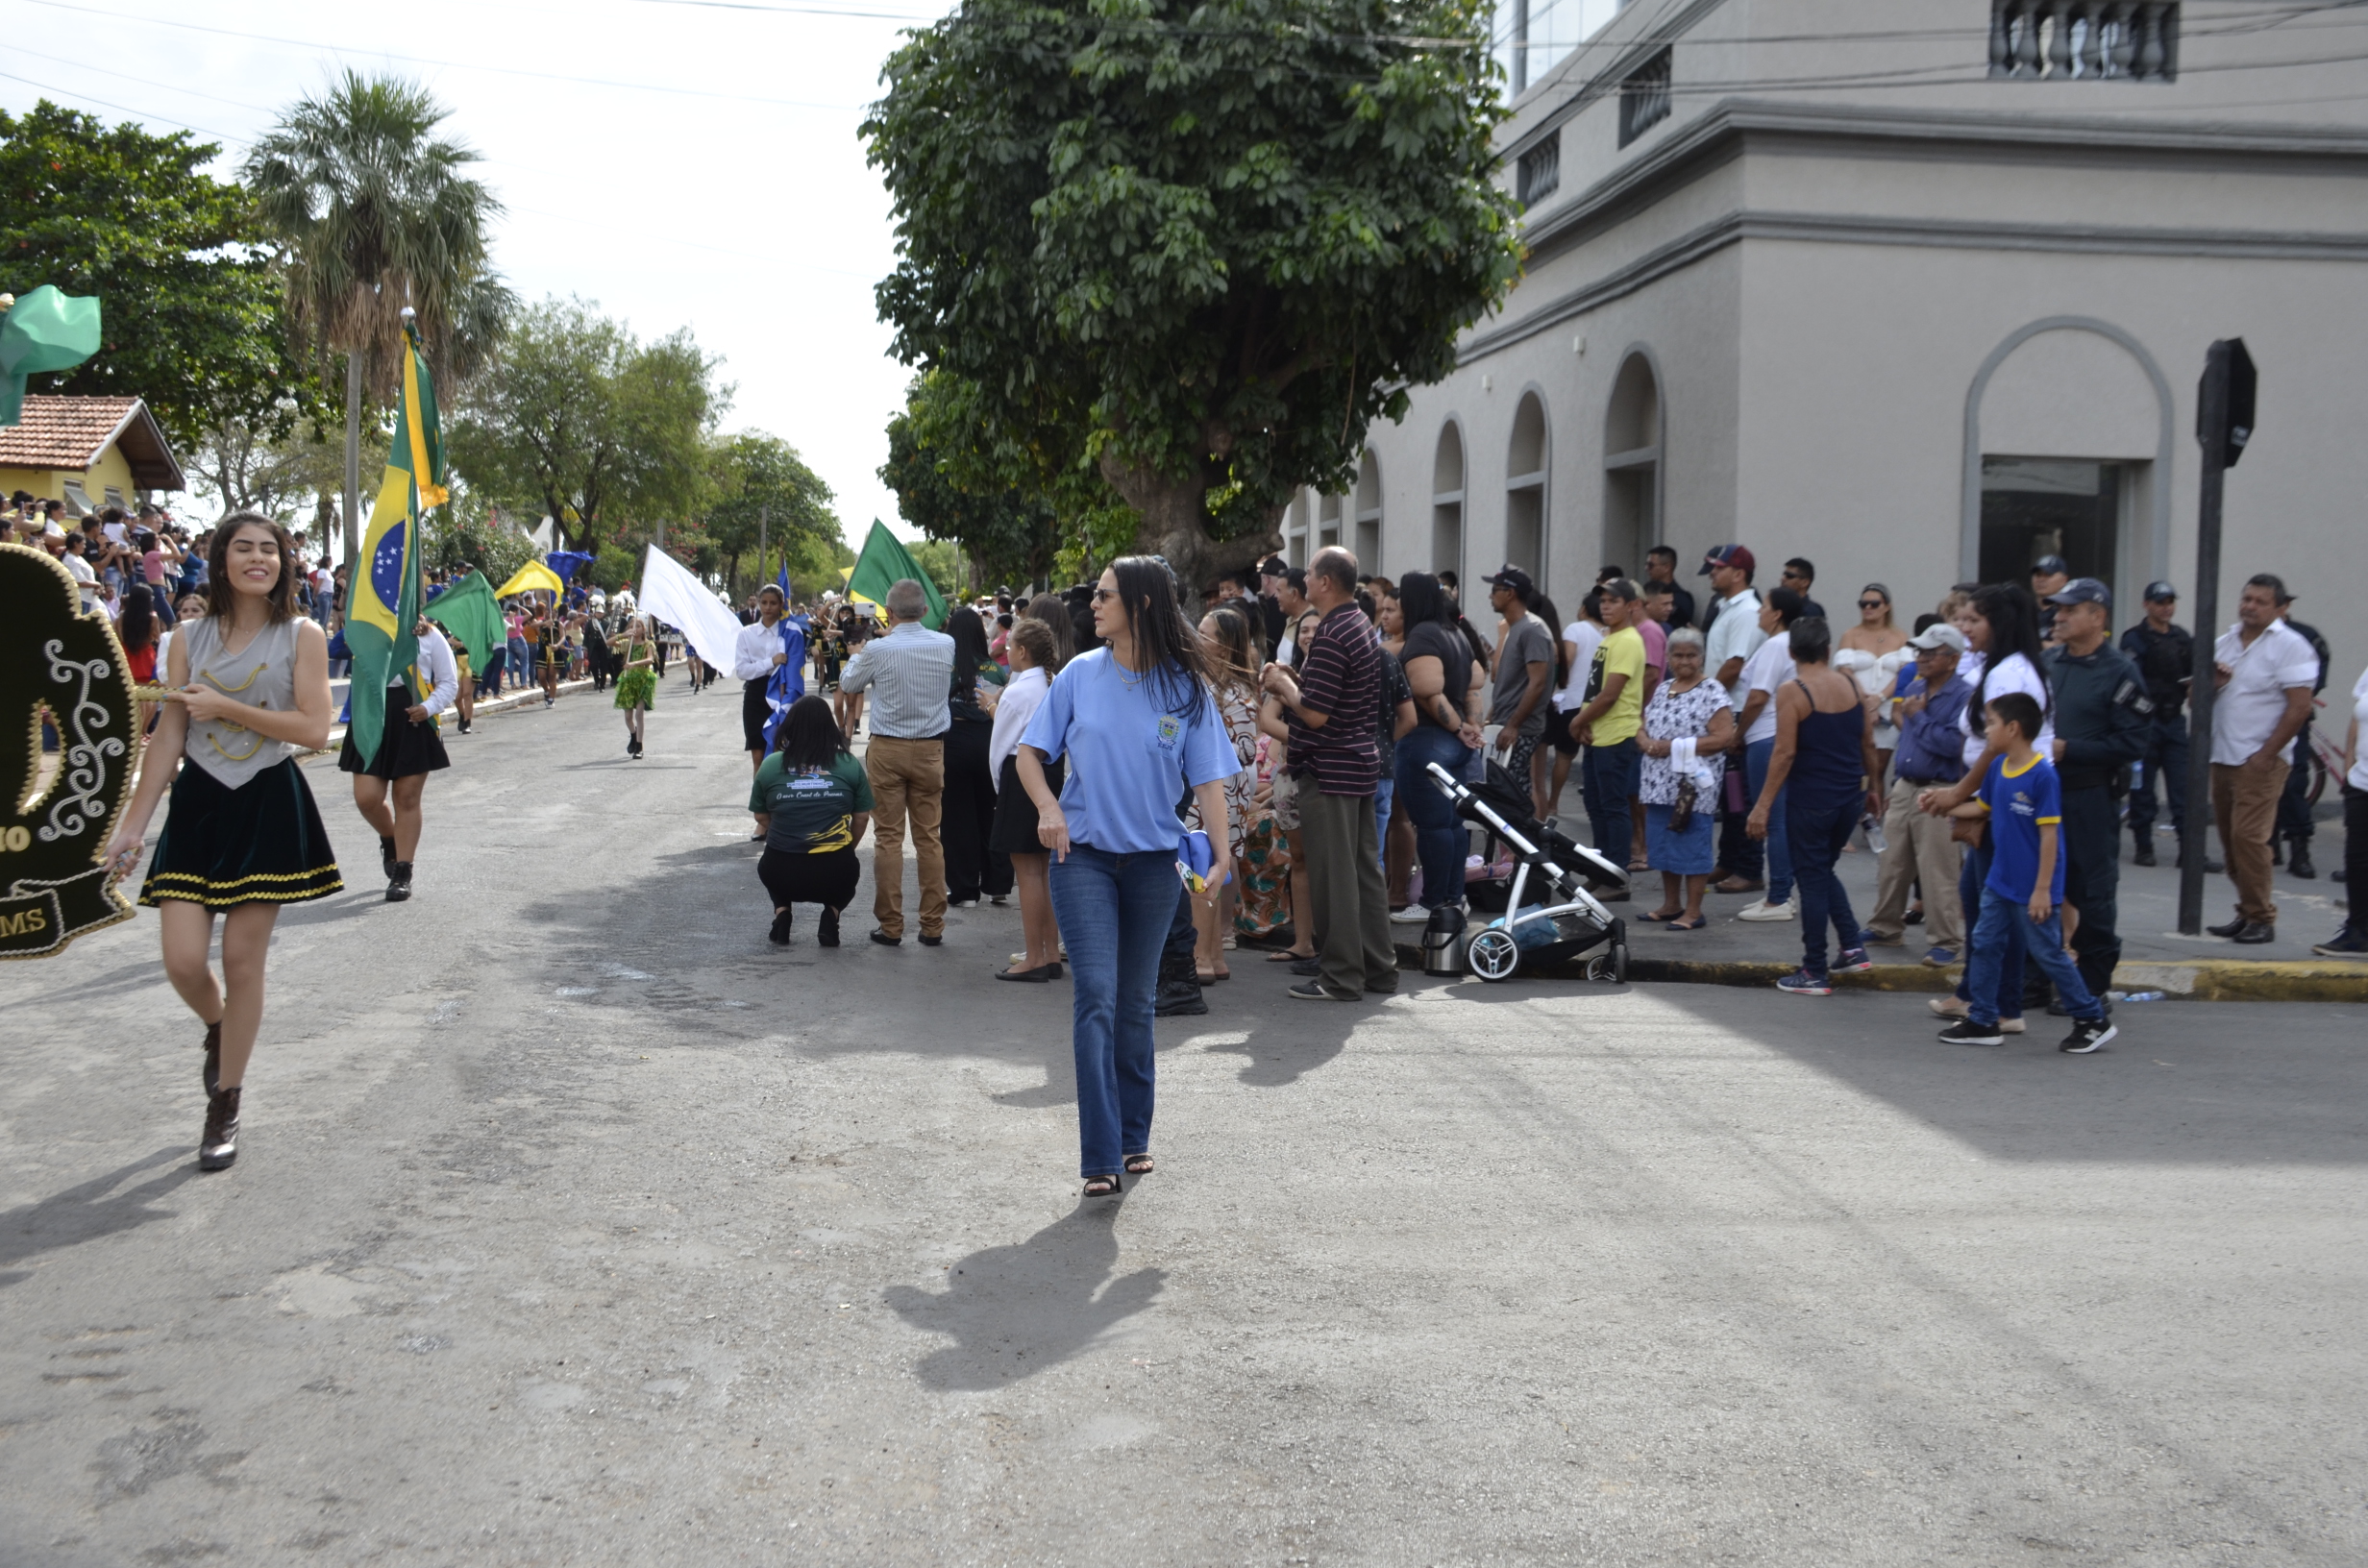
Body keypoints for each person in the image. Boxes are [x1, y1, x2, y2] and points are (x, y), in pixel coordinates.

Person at [104, 512, 341, 1172]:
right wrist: (132, 823)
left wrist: (229, 707)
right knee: (182, 960)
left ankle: (225, 1102)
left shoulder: (303, 634)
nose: (258, 559)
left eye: (270, 549)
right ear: (221, 560)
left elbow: (315, 730)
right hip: (200, 803)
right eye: (245, 548)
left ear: (285, 563)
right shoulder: (188, 637)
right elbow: (171, 737)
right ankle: (220, 1028)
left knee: (242, 961)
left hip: (266, 800)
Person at [1016, 557, 1239, 1196]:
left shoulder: (1184, 692)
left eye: (1105, 596)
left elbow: (1209, 783)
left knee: (1136, 1005)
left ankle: (1134, 1136)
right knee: (1096, 996)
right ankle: (1099, 1155)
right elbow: (1030, 754)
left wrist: (1220, 856)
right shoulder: (1079, 676)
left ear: (1140, 605)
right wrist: (1049, 807)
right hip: (1080, 859)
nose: (1093, 605)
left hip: (1151, 867)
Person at [1936, 692, 2117, 1053]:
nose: (1986, 731)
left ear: (2013, 728)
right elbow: (1983, 809)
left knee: (2049, 953)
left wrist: (2042, 890)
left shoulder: (2042, 776)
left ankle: (2091, 1018)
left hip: (2032, 888)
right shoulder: (1998, 769)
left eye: (1990, 724)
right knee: (1986, 943)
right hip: (2000, 882)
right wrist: (1943, 805)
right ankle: (1984, 1019)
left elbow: (2050, 836)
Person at [1918, 582, 2059, 1031]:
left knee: (1991, 909)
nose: (1963, 627)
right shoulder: (2006, 667)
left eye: (1973, 620)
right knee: (1983, 902)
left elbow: (1999, 747)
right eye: (1962, 618)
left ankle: (1995, 1004)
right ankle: (1990, 1000)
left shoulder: (2006, 675)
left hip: (2005, 801)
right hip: (2001, 798)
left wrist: (1961, 796)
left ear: (1997, 624)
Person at [1260, 547, 1395, 1001]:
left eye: (1312, 573)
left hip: (1332, 766)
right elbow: (1325, 696)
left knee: (1334, 876)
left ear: (1325, 583)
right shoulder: (1357, 624)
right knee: (1361, 872)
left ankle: (1340, 976)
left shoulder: (1335, 631)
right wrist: (1293, 677)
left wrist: (1281, 685)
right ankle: (1377, 968)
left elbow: (1315, 714)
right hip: (1355, 763)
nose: (1305, 580)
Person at [1747, 617, 1882, 994]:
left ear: (1791, 653)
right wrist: (1874, 788)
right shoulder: (1852, 683)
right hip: (1848, 797)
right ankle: (1853, 947)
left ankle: (1814, 969)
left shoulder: (1793, 691)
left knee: (1811, 880)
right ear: (1826, 649)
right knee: (1821, 870)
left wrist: (1762, 805)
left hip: (1811, 801)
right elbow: (1868, 743)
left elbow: (1785, 752)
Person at [2041, 578, 2151, 1004]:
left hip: (2089, 796)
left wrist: (2071, 749)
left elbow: (2133, 742)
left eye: (2070, 610)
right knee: (2041, 886)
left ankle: (2091, 984)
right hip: (2044, 795)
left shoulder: (2120, 671)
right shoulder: (2049, 663)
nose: (2060, 616)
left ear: (2098, 617)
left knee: (2092, 891)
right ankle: (2035, 977)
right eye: (2058, 609)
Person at [841, 579, 955, 946]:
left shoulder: (877, 649)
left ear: (889, 612)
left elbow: (849, 682)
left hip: (888, 748)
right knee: (929, 838)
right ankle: (933, 925)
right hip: (930, 749)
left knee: (888, 838)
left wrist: (858, 653)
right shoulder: (945, 644)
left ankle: (891, 926)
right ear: (924, 611)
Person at [2205, 575, 2317, 944]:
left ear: (2278, 608)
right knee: (2230, 840)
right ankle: (2247, 910)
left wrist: (2266, 755)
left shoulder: (2291, 646)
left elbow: (2299, 708)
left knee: (2248, 837)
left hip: (2259, 759)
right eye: (2247, 598)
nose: (2250, 606)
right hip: (2223, 755)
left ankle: (2262, 918)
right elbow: (2196, 701)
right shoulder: (2225, 642)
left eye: (2260, 601)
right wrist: (2211, 686)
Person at [1863, 622, 1972, 964]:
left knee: (1938, 868)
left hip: (1941, 789)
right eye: (1920, 652)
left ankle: (1947, 941)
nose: (1921, 658)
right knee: (1892, 860)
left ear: (1952, 660)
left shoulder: (1965, 697)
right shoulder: (1914, 686)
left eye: (1930, 652)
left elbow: (1956, 745)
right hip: (1907, 784)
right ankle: (1885, 926)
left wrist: (1920, 717)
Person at [338, 615, 457, 902]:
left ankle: (403, 871)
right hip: (371, 715)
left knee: (406, 798)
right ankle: (390, 839)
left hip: (413, 718)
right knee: (367, 798)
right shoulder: (364, 628)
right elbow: (335, 648)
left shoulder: (429, 635)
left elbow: (448, 682)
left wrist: (428, 707)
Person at [1392, 572, 1484, 922]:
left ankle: (1433, 903)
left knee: (1432, 826)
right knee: (1452, 825)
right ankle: (1453, 897)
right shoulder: (1455, 632)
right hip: (1453, 744)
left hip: (1428, 742)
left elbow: (1428, 690)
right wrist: (1471, 726)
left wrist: (1461, 727)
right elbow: (1475, 681)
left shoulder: (1424, 634)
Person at [750, 694, 872, 948]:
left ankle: (782, 913)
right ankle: (831, 915)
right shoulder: (849, 764)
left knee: (769, 865)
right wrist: (845, 849)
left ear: (790, 727)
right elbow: (861, 817)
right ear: (829, 728)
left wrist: (788, 831)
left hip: (781, 869)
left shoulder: (771, 765)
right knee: (850, 873)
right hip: (835, 871)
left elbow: (760, 816)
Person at [1636, 628, 1734, 930]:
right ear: (1668, 659)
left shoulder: (1712, 690)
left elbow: (1724, 737)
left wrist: (1673, 746)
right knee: (1663, 843)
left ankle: (1693, 911)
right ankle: (1671, 904)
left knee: (1692, 844)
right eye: (1678, 655)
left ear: (1701, 657)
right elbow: (1642, 723)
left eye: (1691, 655)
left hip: (1691, 788)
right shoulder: (1664, 688)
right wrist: (1643, 740)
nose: (1685, 661)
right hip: (1658, 784)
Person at [990, 618, 1066, 980]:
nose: (1006, 653)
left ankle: (1034, 955)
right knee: (1047, 871)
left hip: (1020, 777)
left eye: (1009, 648)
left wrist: (1000, 790)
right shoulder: (1055, 686)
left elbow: (1000, 749)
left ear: (1022, 652)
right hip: (1051, 775)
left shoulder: (1017, 693)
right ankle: (1050, 953)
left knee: (1028, 874)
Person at [1192, 605, 1265, 982]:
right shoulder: (1205, 682)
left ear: (1223, 647)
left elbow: (1247, 750)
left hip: (1216, 790)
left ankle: (1201, 958)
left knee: (1201, 869)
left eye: (1204, 634)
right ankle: (1215, 957)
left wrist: (1203, 748)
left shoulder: (1235, 691)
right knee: (1206, 868)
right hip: (1212, 788)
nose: (1197, 638)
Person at [1730, 588, 1809, 920]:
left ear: (1777, 614)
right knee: (1780, 818)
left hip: (1765, 736)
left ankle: (1778, 898)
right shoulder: (1786, 645)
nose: (1760, 612)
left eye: (1764, 607)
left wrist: (1738, 733)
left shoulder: (1777, 645)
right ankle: (1779, 893)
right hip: (1775, 735)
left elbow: (1758, 698)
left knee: (1772, 819)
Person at [1565, 578, 1648, 884]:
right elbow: (1596, 689)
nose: (1606, 606)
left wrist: (1577, 721)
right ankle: (1601, 868)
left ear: (1632, 605)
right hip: (1598, 733)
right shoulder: (1608, 639)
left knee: (1613, 806)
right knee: (1596, 804)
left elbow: (1611, 694)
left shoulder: (1628, 640)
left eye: (1613, 601)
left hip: (1617, 734)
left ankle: (1616, 875)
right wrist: (1586, 722)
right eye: (1603, 601)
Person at [1698, 546, 1767, 890]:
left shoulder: (1746, 612)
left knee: (1740, 794)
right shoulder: (1729, 608)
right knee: (1728, 794)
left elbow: (1734, 665)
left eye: (1718, 567)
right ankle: (1729, 861)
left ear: (1738, 573)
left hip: (1735, 709)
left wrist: (1702, 696)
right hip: (1724, 708)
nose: (1712, 573)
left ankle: (1750, 869)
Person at [2120, 581, 2197, 869]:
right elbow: (2131, 682)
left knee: (2182, 788)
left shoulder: (2181, 638)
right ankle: (2144, 845)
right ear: (2147, 605)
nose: (2166, 607)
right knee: (2143, 789)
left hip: (2173, 720)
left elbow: (2192, 676)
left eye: (2170, 602)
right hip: (2146, 722)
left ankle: (2188, 849)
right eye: (2160, 602)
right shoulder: (2135, 639)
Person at [941, 605, 1013, 909]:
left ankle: (965, 890)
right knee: (992, 814)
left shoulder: (946, 666)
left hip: (954, 743)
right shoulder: (996, 669)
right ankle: (998, 886)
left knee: (958, 819)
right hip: (989, 743)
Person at [1482, 566, 1554, 803]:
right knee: (1505, 795)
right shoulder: (1516, 627)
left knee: (1511, 798)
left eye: (1495, 589)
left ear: (1510, 593)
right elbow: (1511, 681)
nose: (1490, 595)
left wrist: (1513, 726)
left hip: (1520, 729)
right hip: (1507, 724)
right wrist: (1494, 714)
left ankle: (1518, 841)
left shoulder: (1532, 629)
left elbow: (1537, 683)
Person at [2271, 588, 2330, 878]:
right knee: (2262, 785)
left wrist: (2302, 697)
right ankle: (2269, 846)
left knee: (2294, 784)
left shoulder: (2305, 635)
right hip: (2262, 722)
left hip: (2294, 720)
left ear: (2286, 606)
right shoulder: (2252, 636)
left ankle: (2299, 849)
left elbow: (2319, 669)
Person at [2312, 655, 2368, 957]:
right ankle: (2359, 931)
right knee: (2358, 862)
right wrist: (2348, 769)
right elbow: (2358, 719)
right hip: (2361, 782)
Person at [1544, 589, 1605, 828]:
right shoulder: (1609, 634)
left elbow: (1566, 660)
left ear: (1583, 609)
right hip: (1595, 702)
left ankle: (1553, 803)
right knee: (1586, 755)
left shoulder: (1575, 629)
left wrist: (1557, 685)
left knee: (1563, 755)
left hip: (1569, 700)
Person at [733, 584, 799, 775]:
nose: (768, 607)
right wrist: (771, 661)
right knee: (759, 757)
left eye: (773, 603)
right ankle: (760, 804)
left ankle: (780, 800)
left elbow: (795, 666)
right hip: (756, 695)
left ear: (781, 605)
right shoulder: (746, 634)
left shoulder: (789, 633)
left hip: (783, 694)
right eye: (764, 602)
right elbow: (742, 671)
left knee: (781, 755)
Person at [614, 619, 657, 757]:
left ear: (643, 629)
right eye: (632, 626)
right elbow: (608, 643)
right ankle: (633, 735)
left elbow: (650, 659)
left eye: (638, 626)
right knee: (628, 717)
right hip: (628, 681)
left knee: (639, 714)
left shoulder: (648, 644)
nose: (635, 628)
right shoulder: (628, 644)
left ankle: (639, 747)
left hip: (643, 680)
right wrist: (623, 635)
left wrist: (634, 663)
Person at [1644, 545, 1696, 629]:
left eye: (1651, 565)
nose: (1646, 568)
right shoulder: (1647, 590)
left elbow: (1681, 628)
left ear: (1666, 567)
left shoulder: (1681, 598)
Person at [2030, 554, 2072, 643]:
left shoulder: (2068, 614)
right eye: (2038, 575)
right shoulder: (2026, 610)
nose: (2041, 579)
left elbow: (2059, 648)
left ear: (2064, 580)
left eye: (2048, 575)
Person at [1778, 557, 1827, 621]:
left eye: (1789, 576)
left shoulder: (1811, 611)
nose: (1783, 579)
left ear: (1804, 582)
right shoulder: (1779, 606)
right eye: (1784, 574)